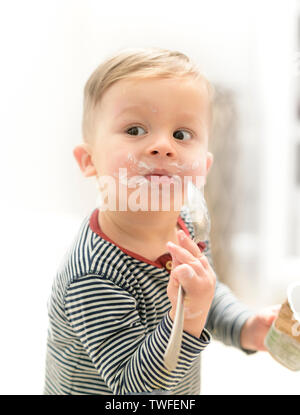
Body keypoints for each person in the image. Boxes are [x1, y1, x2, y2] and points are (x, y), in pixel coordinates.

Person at [44, 47, 279, 395]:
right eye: (135, 129)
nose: (163, 146)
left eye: (182, 135)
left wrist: (245, 325)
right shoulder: (94, 274)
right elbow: (135, 390)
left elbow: (204, 292)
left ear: (204, 167)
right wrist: (191, 319)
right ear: (89, 161)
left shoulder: (190, 224)